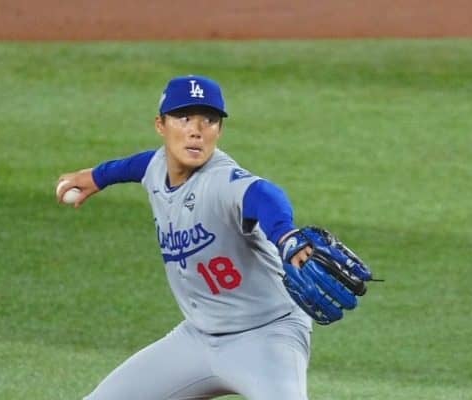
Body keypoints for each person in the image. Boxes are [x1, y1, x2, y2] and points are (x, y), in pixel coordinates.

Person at [57, 75, 369, 400]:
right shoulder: (157, 166)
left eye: (209, 120)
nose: (197, 130)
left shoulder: (221, 181)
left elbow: (263, 194)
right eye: (184, 117)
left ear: (219, 130)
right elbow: (137, 165)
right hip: (196, 339)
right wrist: (97, 176)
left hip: (267, 336)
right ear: (160, 125)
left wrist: (285, 234)